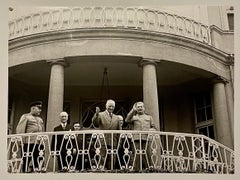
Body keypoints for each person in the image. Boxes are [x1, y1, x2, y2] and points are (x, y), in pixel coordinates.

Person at [125, 101, 156, 171]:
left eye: (141, 107)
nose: (139, 108)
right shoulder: (134, 117)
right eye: (138, 107)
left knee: (147, 154)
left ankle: (148, 168)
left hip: (146, 138)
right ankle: (136, 169)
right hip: (136, 138)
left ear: (144, 108)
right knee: (137, 154)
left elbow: (153, 127)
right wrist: (133, 110)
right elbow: (127, 120)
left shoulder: (149, 117)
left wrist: (152, 131)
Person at [92, 99, 122, 170]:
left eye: (112, 106)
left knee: (112, 160)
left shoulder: (117, 117)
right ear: (106, 106)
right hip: (103, 141)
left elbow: (119, 131)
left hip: (113, 141)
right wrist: (96, 114)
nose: (111, 108)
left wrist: (119, 142)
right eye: (109, 106)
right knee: (102, 159)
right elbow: (95, 123)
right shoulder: (100, 115)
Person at [16, 101, 45, 173]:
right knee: (26, 160)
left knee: (38, 160)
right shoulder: (26, 116)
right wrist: (20, 142)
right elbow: (20, 129)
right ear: (33, 108)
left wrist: (42, 142)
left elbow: (43, 131)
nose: (40, 110)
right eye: (39, 108)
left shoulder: (40, 119)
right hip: (28, 143)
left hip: (38, 143)